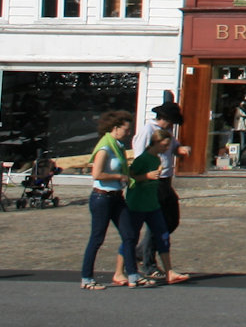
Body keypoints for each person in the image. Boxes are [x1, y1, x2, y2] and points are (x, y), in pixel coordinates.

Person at [131, 102, 188, 278]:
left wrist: (181, 149)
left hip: (166, 181)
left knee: (171, 220)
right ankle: (148, 263)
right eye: (171, 121)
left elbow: (174, 147)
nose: (172, 125)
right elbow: (139, 156)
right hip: (153, 181)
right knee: (156, 223)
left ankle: (141, 251)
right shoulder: (148, 131)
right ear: (165, 118)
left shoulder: (167, 133)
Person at [120, 129, 182, 287]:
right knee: (130, 238)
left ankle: (169, 272)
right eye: (164, 145)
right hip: (138, 204)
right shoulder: (143, 159)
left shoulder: (156, 159)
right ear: (155, 143)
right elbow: (130, 178)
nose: (166, 149)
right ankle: (119, 271)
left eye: (168, 146)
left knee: (163, 235)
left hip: (152, 203)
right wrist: (146, 177)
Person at [80, 111, 132, 290]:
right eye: (126, 129)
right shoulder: (105, 147)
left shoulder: (118, 146)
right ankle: (87, 278)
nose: (128, 132)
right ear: (115, 128)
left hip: (117, 196)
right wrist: (119, 176)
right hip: (102, 197)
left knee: (129, 234)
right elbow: (97, 174)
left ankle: (132, 273)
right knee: (97, 238)